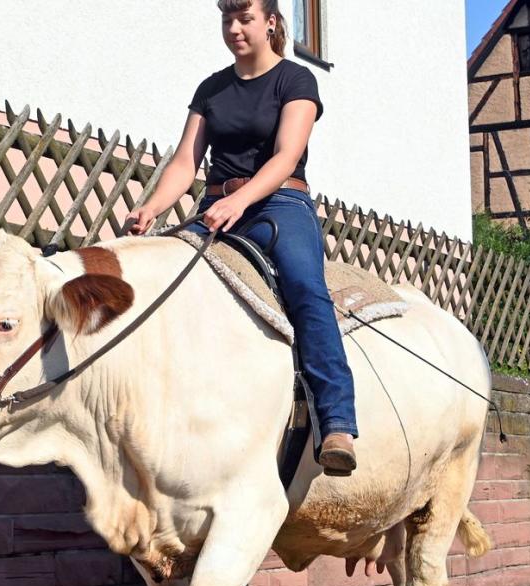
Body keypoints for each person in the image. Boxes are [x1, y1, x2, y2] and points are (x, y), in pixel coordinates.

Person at [125, 0, 358, 476]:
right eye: (227, 20)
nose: (234, 29)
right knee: (155, 270)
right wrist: (153, 206)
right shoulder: (211, 89)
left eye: (244, 18)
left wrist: (240, 200)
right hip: (215, 208)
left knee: (305, 289)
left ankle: (337, 422)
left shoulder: (295, 80)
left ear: (271, 21)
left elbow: (286, 157)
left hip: (279, 204)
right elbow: (185, 164)